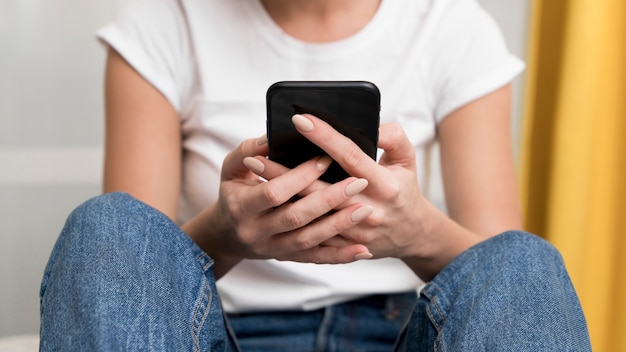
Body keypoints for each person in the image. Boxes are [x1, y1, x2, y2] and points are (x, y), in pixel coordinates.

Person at [39, 0, 591, 350]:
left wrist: (417, 232)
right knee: (108, 226)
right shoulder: (164, 20)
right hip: (214, 329)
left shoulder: (453, 27)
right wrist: (223, 234)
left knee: (524, 259)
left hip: (402, 330)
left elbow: (498, 275)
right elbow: (130, 272)